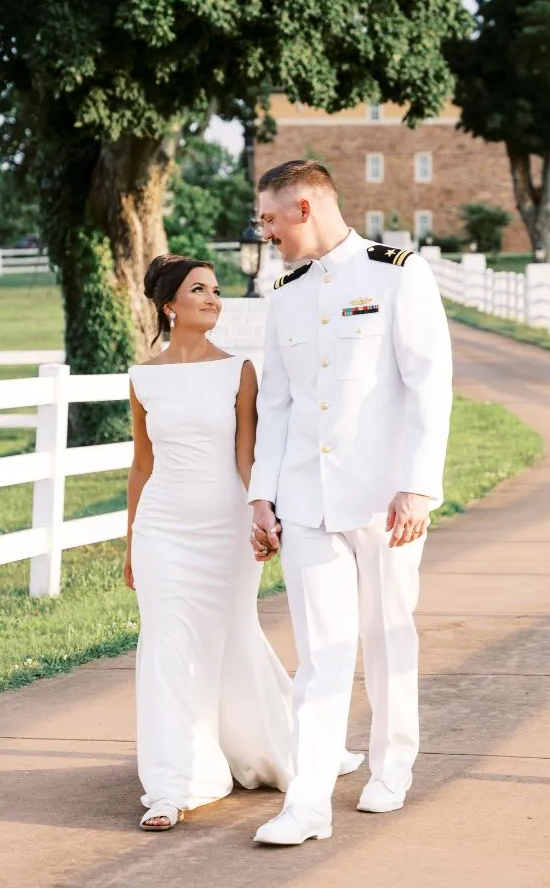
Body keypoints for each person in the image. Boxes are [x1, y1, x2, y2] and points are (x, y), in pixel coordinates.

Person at [248, 160, 454, 846]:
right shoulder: (284, 291)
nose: (265, 232)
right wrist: (262, 494)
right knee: (320, 654)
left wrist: (418, 485)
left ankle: (392, 768)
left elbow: (429, 385)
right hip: (306, 499)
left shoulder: (398, 273)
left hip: (384, 500)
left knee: (387, 635)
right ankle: (306, 804)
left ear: (304, 207)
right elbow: (277, 402)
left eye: (270, 218)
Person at [125, 254, 362, 832]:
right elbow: (141, 464)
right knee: (165, 645)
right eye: (199, 290)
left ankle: (263, 745)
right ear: (169, 306)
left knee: (231, 635)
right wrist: (131, 542)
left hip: (226, 528)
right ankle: (174, 785)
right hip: (161, 527)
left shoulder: (239, 371)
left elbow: (247, 455)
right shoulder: (142, 378)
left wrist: (264, 515)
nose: (213, 298)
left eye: (215, 290)